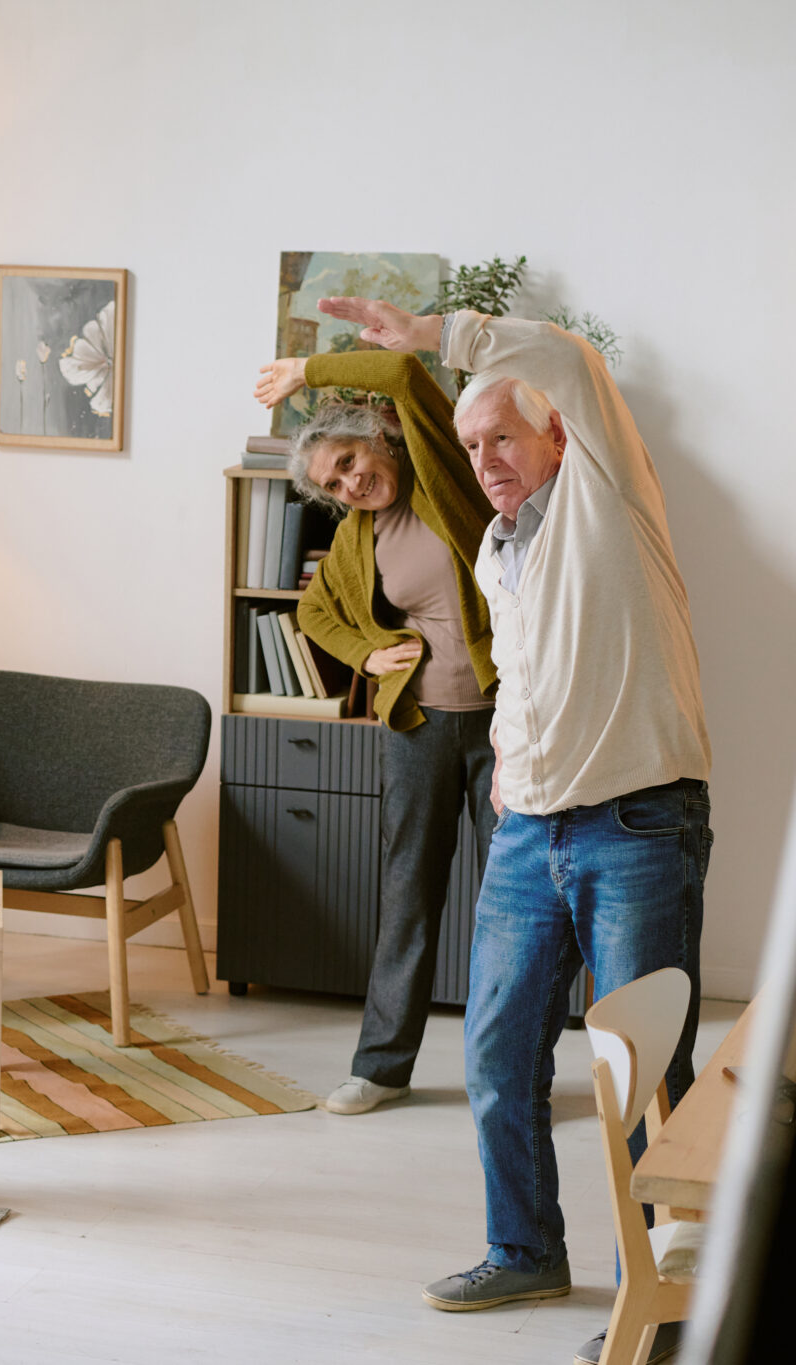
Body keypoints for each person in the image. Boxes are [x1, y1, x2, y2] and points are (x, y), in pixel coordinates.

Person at [316, 297, 710, 1365]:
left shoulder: (607, 494)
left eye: (501, 437)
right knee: (495, 1052)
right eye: (470, 444)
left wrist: (430, 336)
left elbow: (567, 356)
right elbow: (533, 676)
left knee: (639, 1070)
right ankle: (524, 1248)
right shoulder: (497, 548)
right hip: (532, 831)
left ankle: (656, 1302)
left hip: (636, 822)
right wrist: (511, 770)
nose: (484, 459)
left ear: (558, 435)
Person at [255, 351, 498, 1116]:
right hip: (418, 728)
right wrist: (367, 653)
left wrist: (306, 370)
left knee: (514, 904)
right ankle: (382, 1068)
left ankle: (508, 1072)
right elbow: (312, 611)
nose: (350, 485)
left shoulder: (444, 477)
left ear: (376, 439)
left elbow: (403, 375)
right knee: (408, 897)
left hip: (504, 724)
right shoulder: (358, 539)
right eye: (332, 485)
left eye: (348, 462)